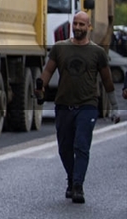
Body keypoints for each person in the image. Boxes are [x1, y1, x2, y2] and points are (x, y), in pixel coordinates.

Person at [36, 11, 117, 204]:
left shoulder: (97, 52)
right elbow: (48, 70)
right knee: (65, 148)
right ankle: (72, 179)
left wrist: (114, 106)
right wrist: (40, 87)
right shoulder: (60, 48)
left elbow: (107, 80)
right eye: (76, 24)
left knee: (81, 146)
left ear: (89, 27)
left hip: (87, 106)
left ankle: (78, 186)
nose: (78, 27)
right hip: (64, 105)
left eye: (82, 24)